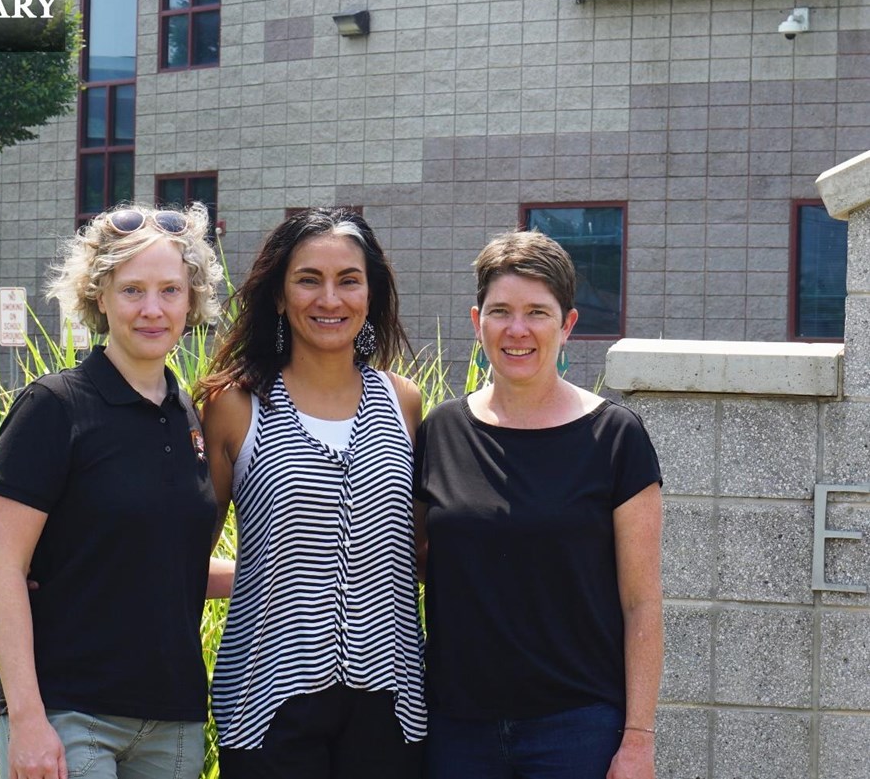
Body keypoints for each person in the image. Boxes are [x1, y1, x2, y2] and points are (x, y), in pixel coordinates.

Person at [0, 203, 222, 779]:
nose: (152, 309)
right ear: (99, 297)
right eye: (132, 290)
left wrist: (288, 569)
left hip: (174, 720)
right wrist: (29, 720)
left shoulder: (187, 414)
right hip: (70, 715)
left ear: (192, 301)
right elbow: (1, 569)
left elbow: (162, 560)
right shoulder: (55, 407)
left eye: (170, 290)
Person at [416, 230, 663, 779]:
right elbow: (408, 564)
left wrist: (638, 740)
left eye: (537, 312)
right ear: (476, 319)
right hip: (457, 729)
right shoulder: (441, 430)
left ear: (568, 324)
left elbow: (641, 603)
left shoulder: (616, 437)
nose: (517, 329)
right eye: (500, 311)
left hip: (576, 729)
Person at [198, 206, 426, 779]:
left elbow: (418, 552)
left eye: (349, 280)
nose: (331, 299)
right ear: (279, 295)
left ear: (371, 294)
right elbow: (184, 551)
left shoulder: (405, 402)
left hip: (391, 706)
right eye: (309, 280)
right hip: (265, 703)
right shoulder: (235, 404)